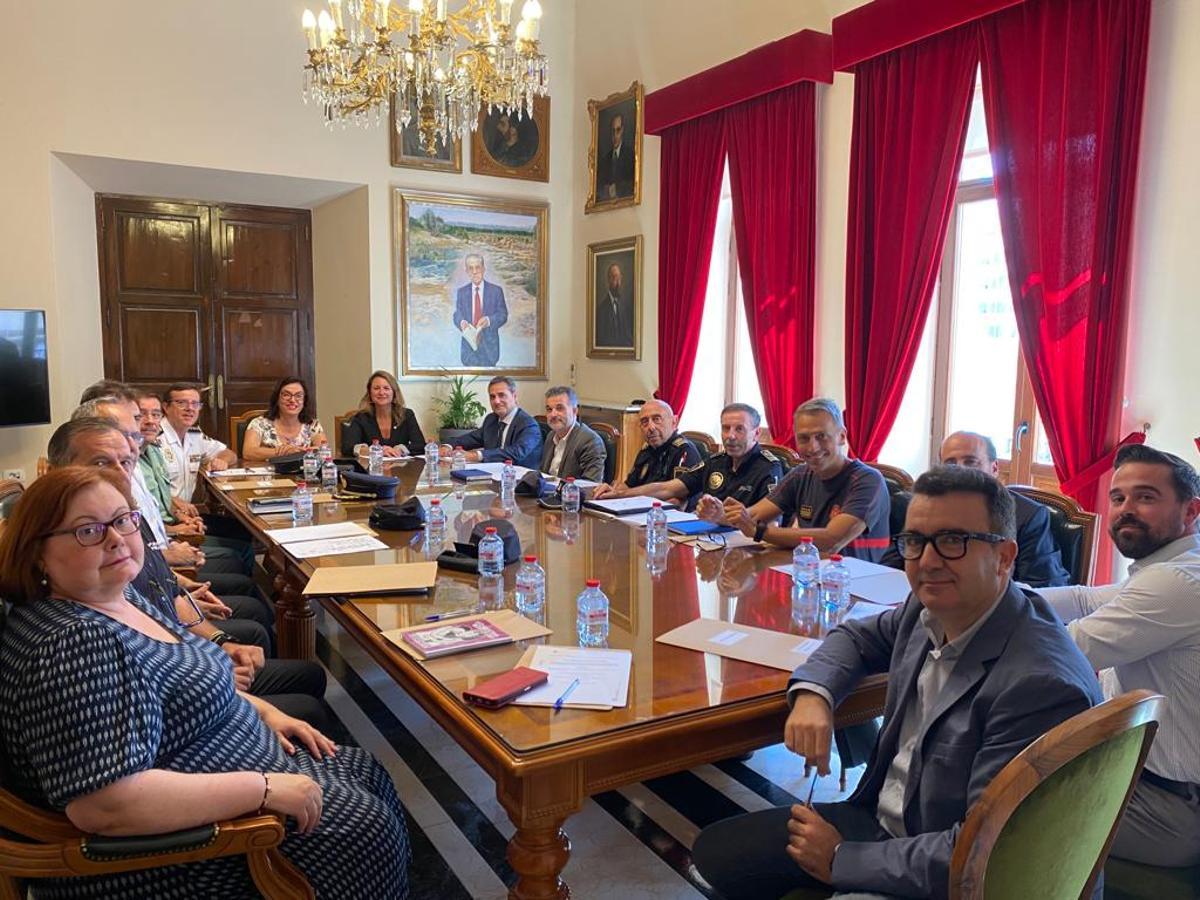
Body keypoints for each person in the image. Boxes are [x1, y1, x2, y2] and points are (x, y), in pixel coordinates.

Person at [691, 465, 1102, 899]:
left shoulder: (1040, 684)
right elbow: (854, 637)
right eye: (915, 542)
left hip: (953, 873)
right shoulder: (928, 609)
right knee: (715, 854)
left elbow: (988, 850)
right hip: (887, 819)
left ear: (1004, 557)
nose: (927, 562)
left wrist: (841, 860)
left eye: (952, 541)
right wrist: (815, 695)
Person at [0, 466, 410, 898]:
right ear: (38, 552)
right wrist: (265, 787)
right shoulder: (75, 642)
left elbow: (185, 678)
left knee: (365, 771)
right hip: (183, 859)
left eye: (123, 520)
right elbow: (106, 805)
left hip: (232, 784)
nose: (117, 538)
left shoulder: (114, 594)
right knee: (366, 830)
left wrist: (261, 710)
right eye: (88, 531)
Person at [46, 416, 329, 725]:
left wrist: (219, 643)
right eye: (101, 462)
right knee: (304, 696)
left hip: (190, 670)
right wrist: (215, 674)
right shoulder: (73, 629)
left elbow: (157, 603)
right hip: (187, 708)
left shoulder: (124, 523)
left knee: (307, 676)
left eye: (127, 459)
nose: (119, 472)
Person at [1041, 444, 1200, 867]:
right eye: (1118, 497)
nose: (1127, 508)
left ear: (1191, 511)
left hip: (1170, 809)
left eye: (1146, 497)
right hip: (1145, 779)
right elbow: (1082, 598)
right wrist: (996, 595)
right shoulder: (1175, 565)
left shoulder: (1179, 582)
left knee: (991, 791)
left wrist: (978, 612)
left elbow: (1064, 648)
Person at [722, 398, 890, 560]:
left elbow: (831, 541)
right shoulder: (801, 474)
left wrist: (759, 531)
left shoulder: (868, 480)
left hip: (857, 581)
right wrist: (721, 515)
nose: (813, 447)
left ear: (842, 436)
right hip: (809, 573)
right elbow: (751, 516)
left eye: (821, 436)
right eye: (804, 439)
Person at [593, 403, 782, 518]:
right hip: (705, 538)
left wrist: (722, 517)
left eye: (739, 429)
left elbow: (769, 520)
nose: (730, 436)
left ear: (756, 433)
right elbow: (667, 488)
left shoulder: (768, 467)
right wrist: (618, 494)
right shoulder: (716, 461)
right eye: (725, 429)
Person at [936, 430, 1070, 586]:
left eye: (970, 462)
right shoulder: (931, 510)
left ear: (994, 468)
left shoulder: (1029, 516)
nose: (960, 470)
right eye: (950, 464)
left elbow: (1044, 588)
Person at [439, 375, 542, 469]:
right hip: (492, 476)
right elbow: (470, 438)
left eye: (501, 395)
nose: (496, 401)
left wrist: (475, 455)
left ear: (514, 397)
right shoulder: (491, 419)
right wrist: (448, 446)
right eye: (492, 397)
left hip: (521, 482)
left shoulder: (528, 424)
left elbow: (516, 453)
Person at [159, 382, 236, 502]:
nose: (190, 409)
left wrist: (222, 460)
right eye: (181, 403)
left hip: (186, 513)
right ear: (165, 407)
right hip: (162, 516)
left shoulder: (195, 435)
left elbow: (230, 454)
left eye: (195, 404)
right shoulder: (154, 437)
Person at [606, 399, 700, 494]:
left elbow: (677, 501)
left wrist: (624, 495)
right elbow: (629, 485)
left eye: (657, 419)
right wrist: (612, 491)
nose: (650, 427)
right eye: (644, 421)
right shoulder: (647, 449)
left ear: (674, 422)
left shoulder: (684, 451)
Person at [242, 376, 327, 462]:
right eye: (286, 395)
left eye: (298, 396)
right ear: (277, 399)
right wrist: (285, 453)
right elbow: (248, 452)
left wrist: (296, 451)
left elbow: (323, 451)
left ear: (304, 400)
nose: (292, 400)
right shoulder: (259, 423)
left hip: (303, 473)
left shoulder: (312, 424)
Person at [344, 370, 426, 458]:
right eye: (376, 388)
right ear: (370, 393)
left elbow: (420, 445)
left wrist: (399, 450)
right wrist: (376, 451)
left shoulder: (407, 415)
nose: (381, 392)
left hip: (400, 468)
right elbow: (348, 448)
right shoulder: (360, 417)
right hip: (370, 469)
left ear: (394, 393)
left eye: (386, 388)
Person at [539, 386, 606, 482]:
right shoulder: (551, 436)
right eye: (549, 409)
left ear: (575, 411)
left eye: (559, 408)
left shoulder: (590, 441)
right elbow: (544, 474)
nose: (553, 414)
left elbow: (590, 484)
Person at [453, 253, 508, 368]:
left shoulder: (496, 291)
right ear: (466, 271)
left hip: (490, 350)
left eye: (477, 267)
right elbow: (457, 313)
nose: (474, 272)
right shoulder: (461, 292)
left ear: (483, 268)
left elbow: (503, 315)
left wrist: (489, 320)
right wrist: (461, 322)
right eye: (470, 268)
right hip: (468, 350)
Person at [595, 262, 634, 349]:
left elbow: (628, 336)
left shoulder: (624, 306)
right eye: (615, 277)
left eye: (619, 277)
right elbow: (600, 341)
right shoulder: (601, 309)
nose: (618, 282)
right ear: (608, 280)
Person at [597, 111, 635, 200]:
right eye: (613, 131)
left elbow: (633, 183)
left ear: (622, 130)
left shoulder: (630, 155)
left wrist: (617, 188)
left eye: (617, 130)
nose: (615, 135)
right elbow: (599, 188)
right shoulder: (605, 159)